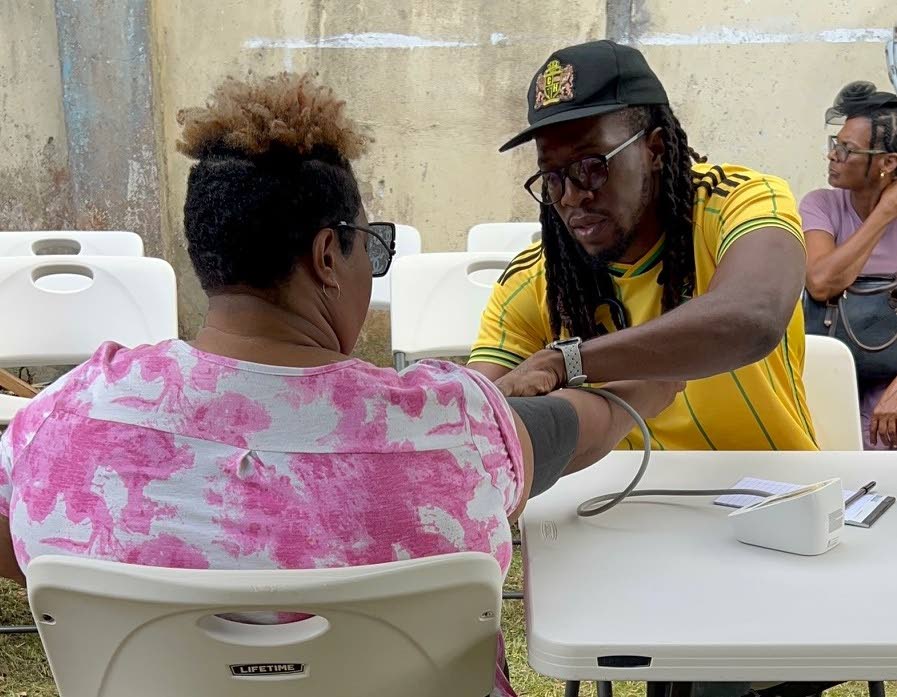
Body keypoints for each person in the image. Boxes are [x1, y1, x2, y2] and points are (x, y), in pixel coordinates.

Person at [0, 73, 678, 697]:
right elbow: (581, 425)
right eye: (369, 244)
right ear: (329, 255)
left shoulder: (64, 422)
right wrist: (665, 366)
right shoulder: (453, 426)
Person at [469, 40, 817, 452]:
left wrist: (567, 362)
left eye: (590, 167)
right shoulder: (535, 278)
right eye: (553, 177)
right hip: (613, 505)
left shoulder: (737, 202)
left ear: (655, 149)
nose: (570, 197)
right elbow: (477, 421)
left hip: (771, 494)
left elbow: (754, 315)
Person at [801, 81, 897, 449]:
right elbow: (822, 283)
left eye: (847, 149)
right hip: (834, 379)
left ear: (888, 163)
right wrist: (885, 212)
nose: (833, 156)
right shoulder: (822, 205)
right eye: (835, 145)